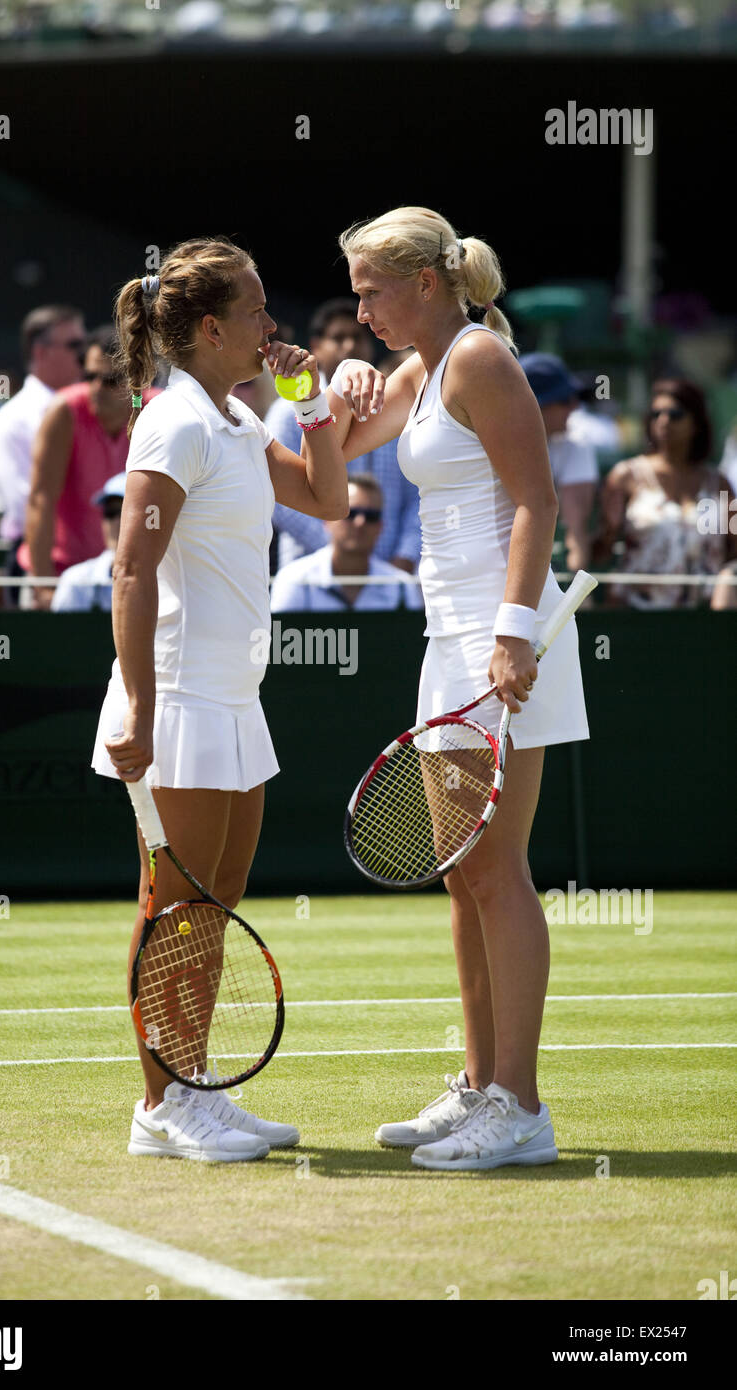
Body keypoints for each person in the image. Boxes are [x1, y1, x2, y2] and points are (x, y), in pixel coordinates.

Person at [327, 206, 589, 1172]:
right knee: (461, 877)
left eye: (371, 291)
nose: (361, 310)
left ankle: (520, 1107)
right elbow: (333, 450)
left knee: (496, 870)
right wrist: (329, 382)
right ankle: (481, 1085)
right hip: (448, 642)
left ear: (426, 284)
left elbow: (538, 500)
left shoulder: (479, 359)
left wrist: (516, 636)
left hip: (500, 635)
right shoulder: (418, 370)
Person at [90, 239, 348, 1163]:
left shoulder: (235, 421)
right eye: (258, 312)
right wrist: (143, 711)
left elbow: (328, 497)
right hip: (180, 703)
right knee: (176, 906)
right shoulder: (175, 423)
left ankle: (190, 1084)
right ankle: (162, 1107)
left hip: (237, 701)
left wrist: (308, 398)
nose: (272, 327)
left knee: (218, 899)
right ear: (210, 328)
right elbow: (132, 570)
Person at [265, 297, 421, 575]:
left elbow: (416, 493)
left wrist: (406, 555)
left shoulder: (391, 404)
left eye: (358, 337)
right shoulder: (286, 411)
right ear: (316, 347)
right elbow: (278, 498)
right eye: (338, 338)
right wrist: (340, 551)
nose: (350, 346)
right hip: (310, 579)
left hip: (390, 579)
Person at [25, 326, 159, 609]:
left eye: (110, 379)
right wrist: (44, 586)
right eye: (89, 377)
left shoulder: (158, 412)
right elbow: (41, 500)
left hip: (145, 580)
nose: (97, 387)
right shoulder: (64, 411)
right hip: (66, 581)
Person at [597, 378, 737, 608]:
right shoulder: (626, 476)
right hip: (636, 613)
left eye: (675, 414)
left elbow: (734, 549)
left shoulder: (718, 483)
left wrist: (727, 583)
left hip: (705, 617)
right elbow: (603, 549)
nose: (664, 421)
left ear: (696, 422)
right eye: (656, 414)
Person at [0, 303, 86, 585]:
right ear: (41, 352)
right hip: (37, 561)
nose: (85, 355)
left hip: (90, 560)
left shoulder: (89, 409)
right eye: (75, 345)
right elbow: (25, 506)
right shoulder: (13, 419)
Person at [270, 474, 423, 611]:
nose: (360, 522)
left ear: (381, 526)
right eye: (350, 513)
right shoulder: (295, 581)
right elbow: (279, 641)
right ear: (327, 520)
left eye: (371, 516)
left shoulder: (402, 588)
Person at [520, 352, 599, 572]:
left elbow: (575, 530)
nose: (575, 407)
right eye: (564, 400)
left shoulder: (576, 445)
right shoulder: (484, 444)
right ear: (536, 405)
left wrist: (575, 585)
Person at [50, 471, 124, 613]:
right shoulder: (74, 581)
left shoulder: (168, 581)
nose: (116, 521)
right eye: (109, 512)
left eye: (123, 512)